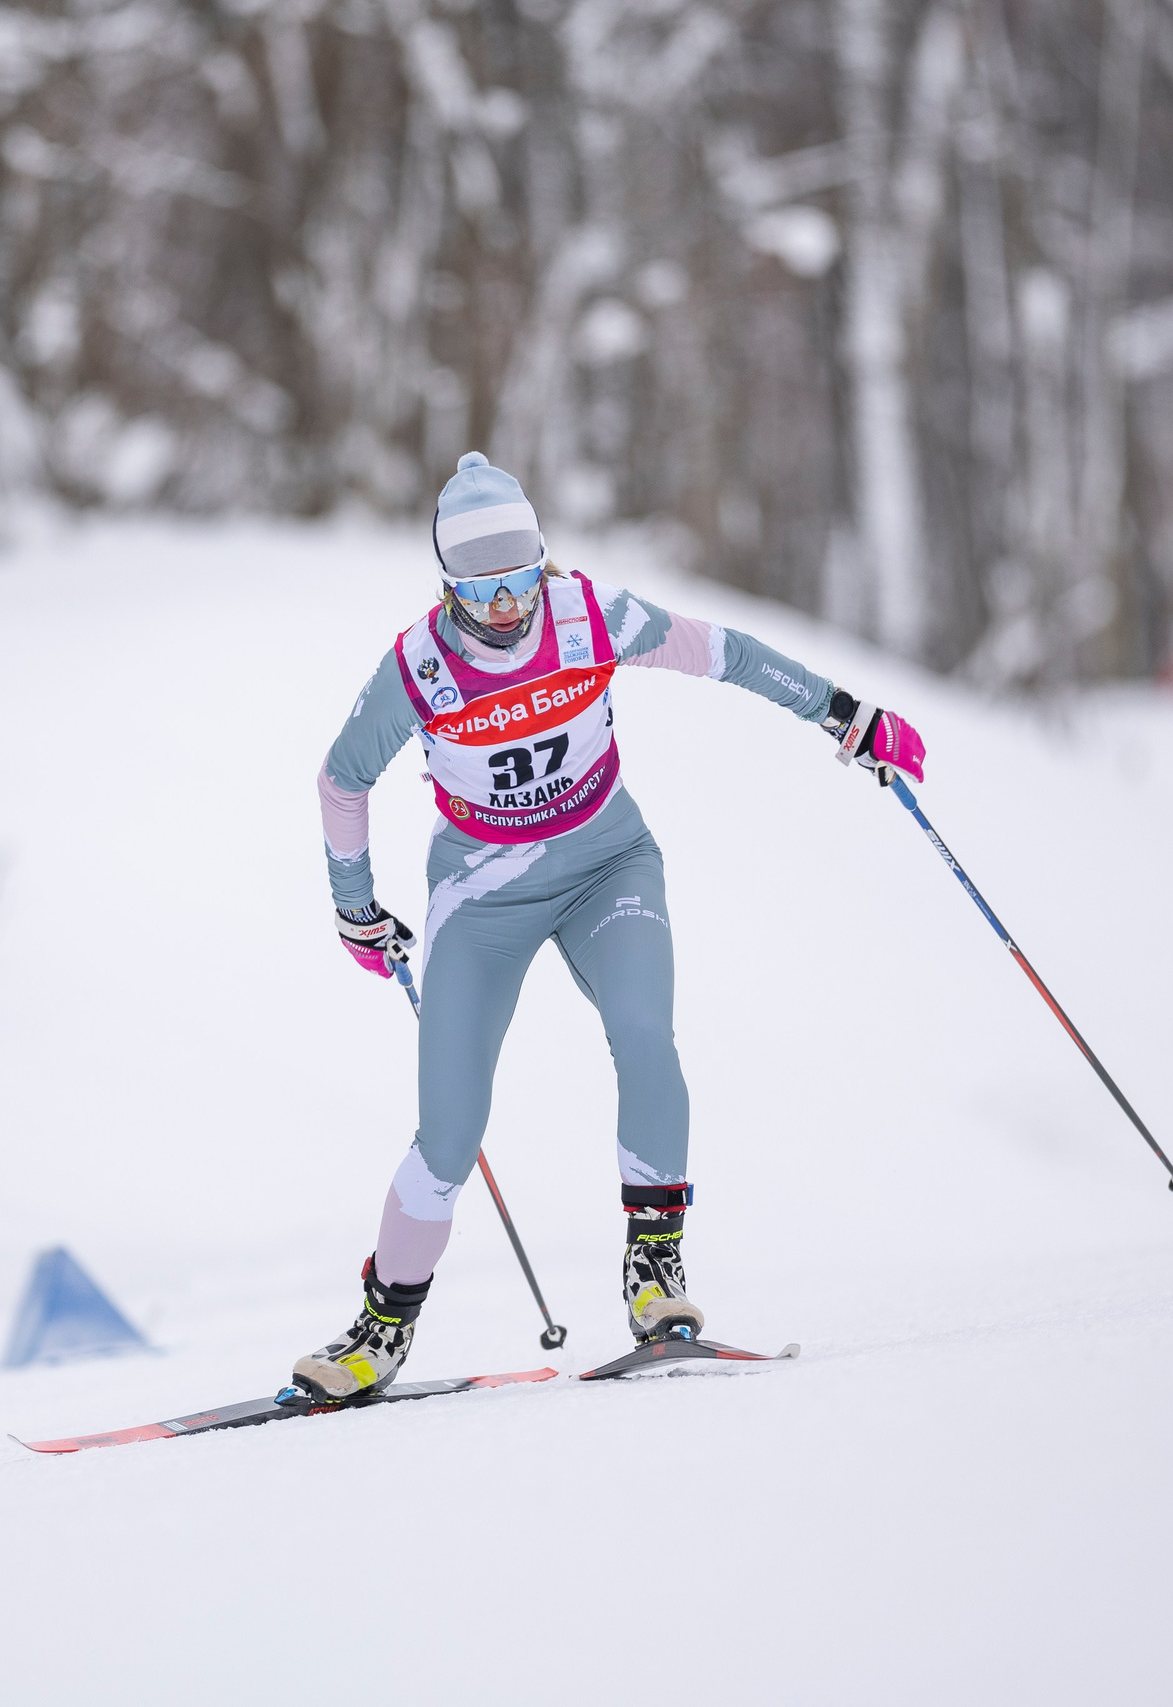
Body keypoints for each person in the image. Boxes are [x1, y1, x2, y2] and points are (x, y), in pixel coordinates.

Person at [291, 452, 925, 1403]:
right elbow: (342, 780)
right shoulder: (419, 668)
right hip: (483, 896)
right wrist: (354, 908)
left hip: (606, 866)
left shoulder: (588, 615)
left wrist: (846, 715)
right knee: (449, 1132)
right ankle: (380, 1329)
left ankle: (655, 1273)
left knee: (644, 1032)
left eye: (521, 580)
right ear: (447, 585)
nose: (508, 608)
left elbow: (727, 653)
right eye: (482, 592)